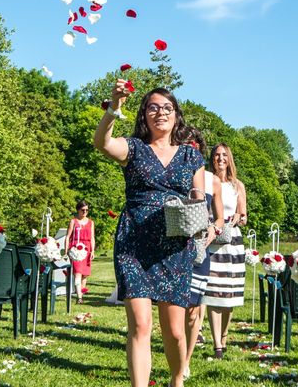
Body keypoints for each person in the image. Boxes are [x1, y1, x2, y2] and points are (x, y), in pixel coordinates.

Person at [94, 82, 206, 387]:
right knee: (140, 325)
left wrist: (199, 220)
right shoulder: (133, 148)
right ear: (144, 114)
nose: (160, 112)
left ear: (176, 116)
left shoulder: (191, 157)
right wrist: (113, 109)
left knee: (175, 331)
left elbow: (199, 200)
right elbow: (102, 143)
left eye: (167, 107)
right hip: (134, 243)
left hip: (174, 246)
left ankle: (176, 378)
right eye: (153, 107)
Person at [181, 127, 223, 380]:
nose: (191, 146)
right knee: (174, 307)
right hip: (173, 248)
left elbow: (218, 218)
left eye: (195, 143)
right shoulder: (170, 172)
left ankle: (185, 361)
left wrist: (213, 232)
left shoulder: (212, 180)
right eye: (186, 142)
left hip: (199, 250)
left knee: (193, 309)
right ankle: (174, 359)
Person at [202, 142, 247, 359]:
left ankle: (225, 335)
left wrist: (239, 218)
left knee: (229, 297)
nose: (220, 159)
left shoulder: (237, 185)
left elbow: (245, 215)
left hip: (233, 242)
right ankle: (217, 344)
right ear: (212, 159)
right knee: (214, 293)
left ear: (229, 159)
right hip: (213, 239)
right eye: (217, 155)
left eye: (224, 155)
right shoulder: (208, 181)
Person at [64, 200, 96, 304]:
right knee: (78, 273)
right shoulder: (73, 221)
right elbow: (68, 236)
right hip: (76, 249)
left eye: (87, 210)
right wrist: (66, 251)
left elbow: (92, 237)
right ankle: (79, 298)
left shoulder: (91, 222)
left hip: (86, 249)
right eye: (83, 210)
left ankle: (81, 294)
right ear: (78, 210)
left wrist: (92, 251)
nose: (85, 212)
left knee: (85, 274)